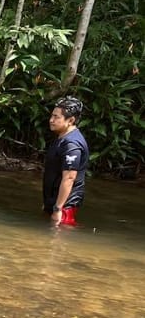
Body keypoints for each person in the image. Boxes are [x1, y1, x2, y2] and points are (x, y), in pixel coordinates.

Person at [42, 96, 89, 227]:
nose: (51, 120)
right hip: (55, 201)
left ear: (71, 120)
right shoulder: (62, 138)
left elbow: (69, 178)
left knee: (60, 238)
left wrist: (58, 208)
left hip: (64, 206)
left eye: (56, 117)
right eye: (52, 116)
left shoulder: (72, 144)